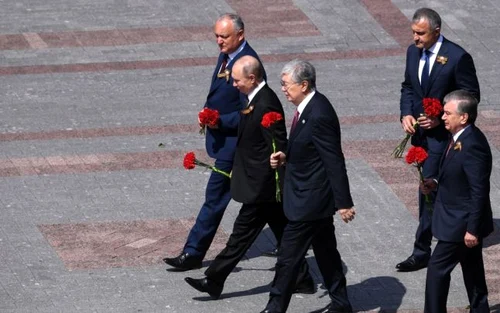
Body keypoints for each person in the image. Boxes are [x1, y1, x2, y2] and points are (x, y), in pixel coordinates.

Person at [184, 56, 314, 299]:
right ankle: (302, 278)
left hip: (261, 188)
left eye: (237, 80)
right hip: (261, 186)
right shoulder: (253, 98)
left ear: (252, 79)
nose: (234, 85)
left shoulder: (267, 104)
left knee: (239, 236)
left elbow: (277, 145)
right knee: (285, 233)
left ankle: (213, 280)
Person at [163, 13, 276, 271]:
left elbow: (251, 111)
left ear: (240, 35)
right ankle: (293, 248)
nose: (218, 41)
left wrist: (219, 121)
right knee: (265, 204)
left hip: (237, 145)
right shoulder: (228, 54)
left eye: (223, 36)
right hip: (227, 142)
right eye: (216, 35)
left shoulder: (249, 65)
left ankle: (193, 253)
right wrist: (208, 112)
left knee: (216, 197)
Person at [260, 60, 356, 313]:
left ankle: (274, 308)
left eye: (285, 84)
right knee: (326, 253)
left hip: (310, 201)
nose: (282, 89)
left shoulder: (319, 114)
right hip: (312, 199)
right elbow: (309, 148)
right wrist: (286, 156)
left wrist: (344, 202)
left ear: (304, 84)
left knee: (287, 259)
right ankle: (341, 303)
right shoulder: (307, 108)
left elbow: (334, 160)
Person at [396, 7, 480, 272]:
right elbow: (408, 86)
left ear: (436, 31)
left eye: (420, 33)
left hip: (443, 137)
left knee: (429, 190)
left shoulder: (456, 58)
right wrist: (406, 114)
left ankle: (424, 250)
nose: (415, 38)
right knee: (429, 189)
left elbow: (471, 96)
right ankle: (441, 238)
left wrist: (441, 116)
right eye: (413, 32)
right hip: (419, 135)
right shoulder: (412, 52)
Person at [421, 90, 492, 312]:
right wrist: (434, 182)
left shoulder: (473, 145)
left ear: (464, 117)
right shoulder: (459, 137)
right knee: (472, 269)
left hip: (460, 224)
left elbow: (479, 190)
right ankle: (480, 308)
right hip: (459, 219)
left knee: (436, 270)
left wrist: (472, 229)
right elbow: (458, 175)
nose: (442, 117)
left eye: (448, 113)